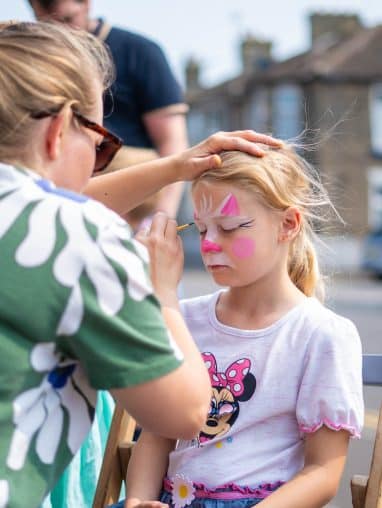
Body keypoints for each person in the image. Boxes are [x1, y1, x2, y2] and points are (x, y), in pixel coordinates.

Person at [0, 20, 282, 508]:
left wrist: (178, 165)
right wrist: (164, 293)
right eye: (100, 144)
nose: (97, 164)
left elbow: (39, 203)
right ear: (58, 130)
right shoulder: (79, 234)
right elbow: (187, 412)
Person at [120, 148, 364, 508]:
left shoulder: (322, 335)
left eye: (231, 228)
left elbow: (323, 473)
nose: (209, 244)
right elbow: (156, 436)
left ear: (288, 224)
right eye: (201, 229)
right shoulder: (183, 318)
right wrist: (138, 500)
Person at [27, 0, 189, 229]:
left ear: (86, 3)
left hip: (133, 207)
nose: (60, 33)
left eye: (67, 20)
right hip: (60, 201)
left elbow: (172, 140)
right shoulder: (31, 61)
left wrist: (162, 217)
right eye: (47, 24)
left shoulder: (140, 53)